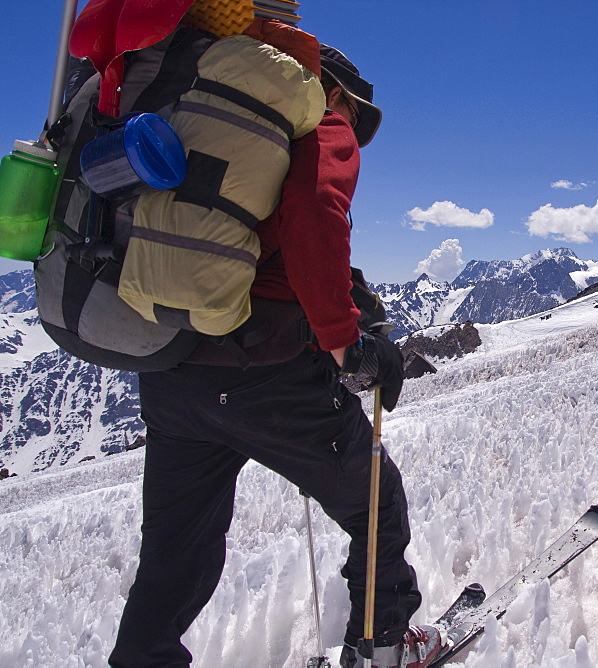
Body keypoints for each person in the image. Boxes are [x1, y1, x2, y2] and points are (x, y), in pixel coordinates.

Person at [108, 45, 447, 668]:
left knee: (174, 554)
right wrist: (348, 345)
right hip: (266, 374)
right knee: (377, 503)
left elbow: (272, 238)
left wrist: (353, 300)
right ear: (335, 92)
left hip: (169, 366)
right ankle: (386, 649)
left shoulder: (206, 113)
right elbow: (314, 218)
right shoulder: (323, 119)